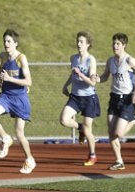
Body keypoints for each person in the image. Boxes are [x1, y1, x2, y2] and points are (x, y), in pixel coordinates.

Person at [91, 33, 135, 170]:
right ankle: (119, 161)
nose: (114, 46)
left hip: (128, 99)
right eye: (113, 43)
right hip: (114, 98)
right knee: (111, 132)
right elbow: (105, 77)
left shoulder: (130, 61)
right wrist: (97, 79)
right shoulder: (110, 61)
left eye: (117, 44)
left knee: (119, 133)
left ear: (124, 45)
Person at [0, 29, 36, 174]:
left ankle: (29, 160)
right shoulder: (3, 56)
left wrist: (10, 79)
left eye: (9, 41)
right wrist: (0, 80)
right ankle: (5, 138)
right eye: (4, 41)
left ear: (15, 43)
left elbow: (29, 81)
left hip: (20, 98)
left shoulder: (21, 59)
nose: (6, 44)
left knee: (19, 134)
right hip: (6, 96)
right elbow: (1, 70)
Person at [60, 31, 101, 166]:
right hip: (76, 97)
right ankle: (80, 127)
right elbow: (73, 75)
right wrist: (66, 85)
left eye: (82, 42)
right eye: (78, 41)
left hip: (89, 98)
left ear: (88, 45)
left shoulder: (91, 60)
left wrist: (81, 74)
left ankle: (92, 155)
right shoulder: (73, 58)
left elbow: (92, 82)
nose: (78, 44)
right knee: (64, 120)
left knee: (88, 131)